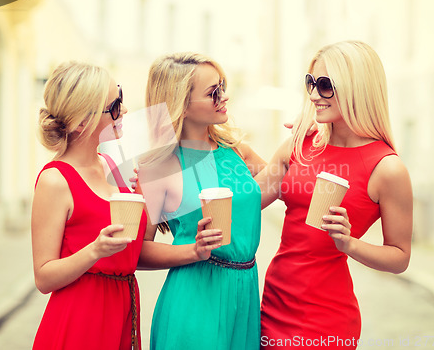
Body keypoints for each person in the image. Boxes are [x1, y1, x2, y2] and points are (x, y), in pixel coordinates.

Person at [257, 40, 413, 349]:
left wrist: (349, 243)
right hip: (273, 303)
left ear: (356, 88)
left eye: (325, 85)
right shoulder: (299, 145)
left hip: (325, 319)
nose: (314, 95)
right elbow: (246, 200)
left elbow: (400, 257)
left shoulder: (387, 169)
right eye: (311, 83)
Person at [134, 52, 266, 350]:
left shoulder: (238, 151)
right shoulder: (159, 167)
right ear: (182, 103)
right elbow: (137, 253)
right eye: (213, 92)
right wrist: (193, 251)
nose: (224, 97)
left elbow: (283, 186)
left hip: (244, 296)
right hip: (194, 300)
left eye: (222, 86)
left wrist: (305, 139)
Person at [31, 61, 147, 350]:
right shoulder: (55, 180)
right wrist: (94, 250)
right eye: (115, 105)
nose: (125, 111)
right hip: (80, 322)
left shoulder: (112, 165)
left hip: (124, 311)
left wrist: (195, 251)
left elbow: (132, 252)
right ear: (81, 122)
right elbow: (44, 277)